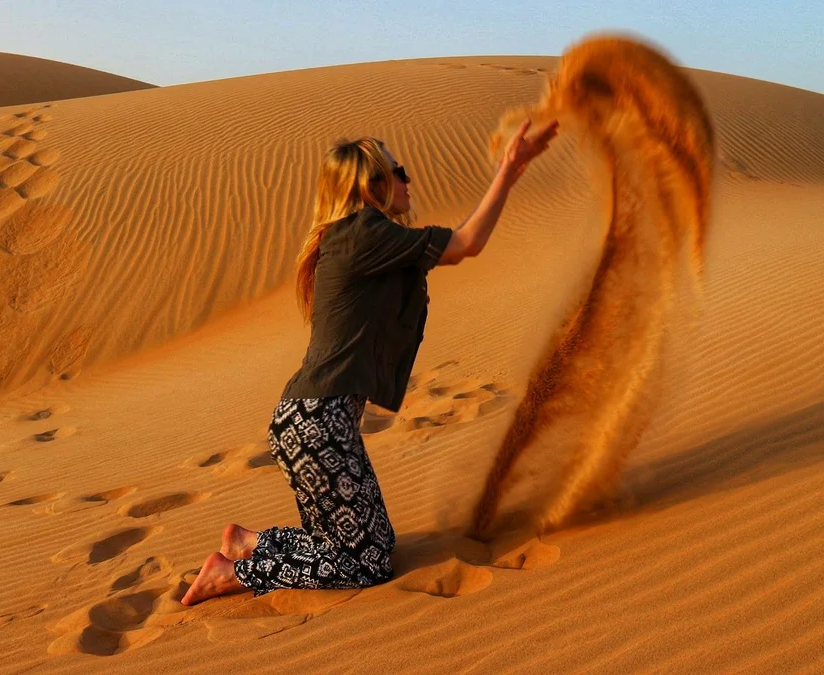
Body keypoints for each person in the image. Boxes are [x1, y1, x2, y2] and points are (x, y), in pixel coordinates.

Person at [181, 118, 559, 605]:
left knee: (354, 547)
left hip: (310, 420)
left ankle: (248, 542)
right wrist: (507, 171)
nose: (408, 180)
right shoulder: (363, 232)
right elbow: (466, 245)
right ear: (370, 185)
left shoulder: (357, 239)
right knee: (370, 562)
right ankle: (233, 572)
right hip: (319, 424)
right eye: (397, 170)